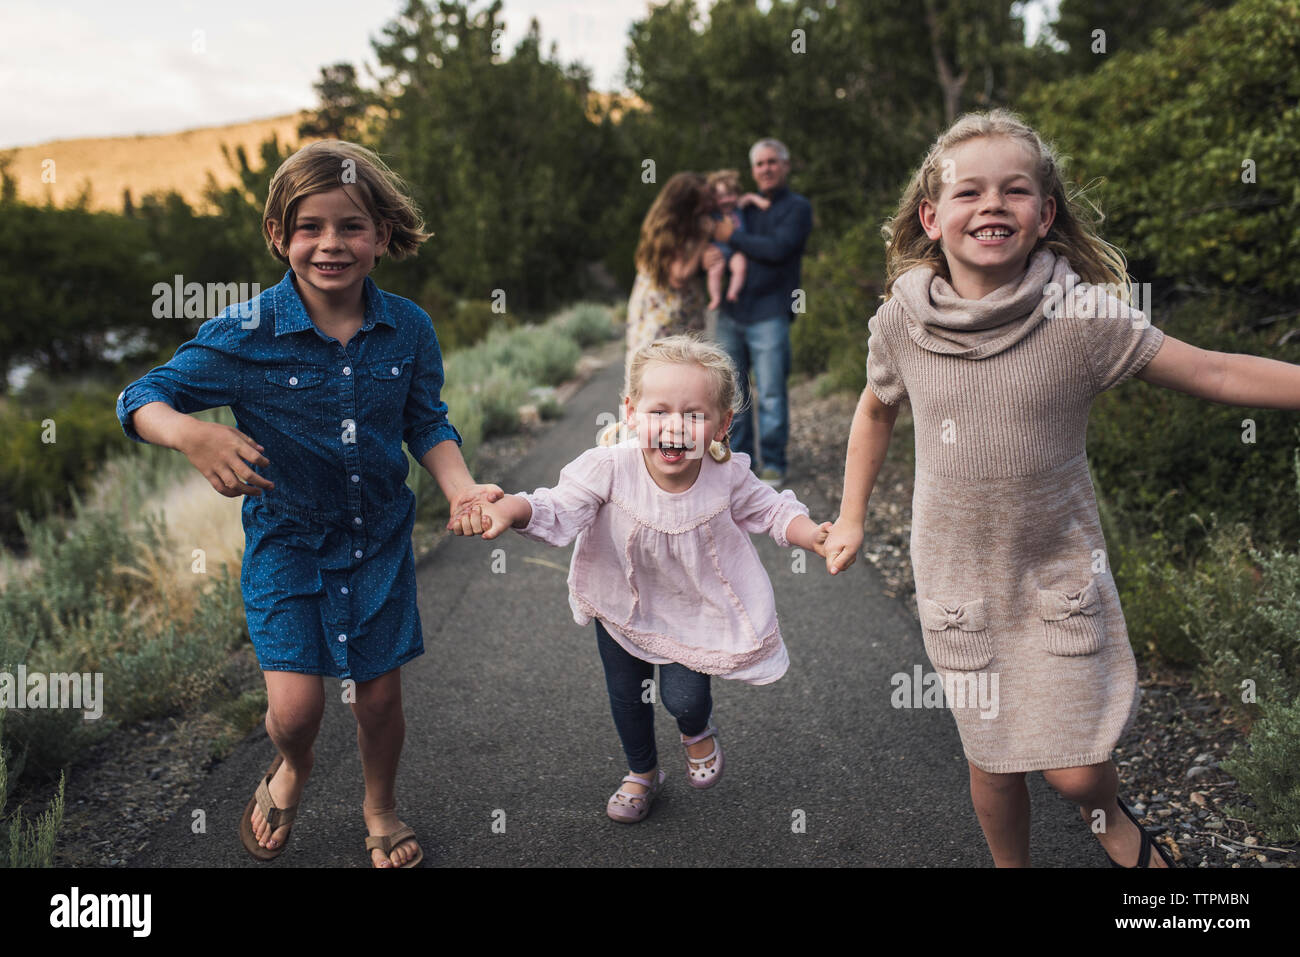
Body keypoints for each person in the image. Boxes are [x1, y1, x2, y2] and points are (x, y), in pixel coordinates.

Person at [824, 108, 1300, 867]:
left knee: (1075, 766)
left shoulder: (1079, 315)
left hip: (1056, 573)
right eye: (968, 192)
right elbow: (876, 406)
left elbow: (1209, 369)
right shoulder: (901, 324)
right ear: (931, 216)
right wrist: (850, 515)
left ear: (1045, 215)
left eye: (1015, 191)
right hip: (959, 580)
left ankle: (1107, 811)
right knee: (995, 758)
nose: (991, 205)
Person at [115, 140, 501, 867]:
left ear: (382, 235)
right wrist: (193, 434)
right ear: (278, 237)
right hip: (286, 541)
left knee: (378, 702)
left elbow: (426, 421)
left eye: (352, 226)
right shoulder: (245, 333)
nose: (331, 243)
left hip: (378, 538)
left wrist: (462, 487)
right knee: (297, 711)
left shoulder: (409, 328)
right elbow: (141, 398)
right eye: (310, 227)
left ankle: (380, 806)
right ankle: (291, 766)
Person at [453, 335, 832, 822]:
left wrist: (814, 536)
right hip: (620, 604)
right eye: (659, 412)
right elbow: (557, 504)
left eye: (694, 415)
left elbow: (774, 511)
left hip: (693, 608)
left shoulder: (727, 476)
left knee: (683, 696)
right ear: (630, 412)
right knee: (627, 696)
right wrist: (511, 508)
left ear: (721, 424)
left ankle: (696, 729)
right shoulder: (610, 468)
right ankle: (642, 773)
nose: (675, 428)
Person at [711, 138, 813, 488]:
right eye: (759, 164)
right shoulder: (741, 209)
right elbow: (715, 237)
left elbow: (778, 249)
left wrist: (733, 239)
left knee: (770, 392)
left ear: (785, 165)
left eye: (772, 162)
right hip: (731, 313)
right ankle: (738, 463)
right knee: (732, 392)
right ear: (752, 171)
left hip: (771, 312)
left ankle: (773, 463)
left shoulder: (797, 208)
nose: (766, 169)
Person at [624, 173, 716, 364]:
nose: (709, 203)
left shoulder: (659, 225)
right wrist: (703, 239)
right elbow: (679, 276)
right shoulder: (676, 230)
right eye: (703, 199)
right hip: (667, 319)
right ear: (687, 202)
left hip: (654, 316)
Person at [703, 169, 770, 310]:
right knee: (715, 271)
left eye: (730, 195)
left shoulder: (738, 207)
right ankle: (715, 297)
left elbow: (750, 197)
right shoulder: (712, 213)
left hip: (736, 250)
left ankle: (733, 292)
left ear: (737, 194)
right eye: (720, 197)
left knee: (740, 268)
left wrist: (761, 202)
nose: (726, 200)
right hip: (719, 250)